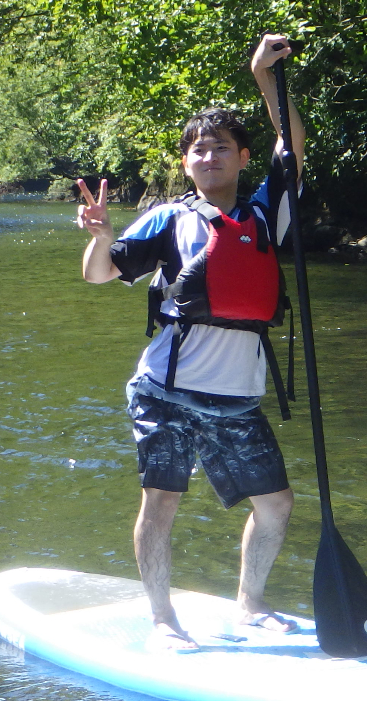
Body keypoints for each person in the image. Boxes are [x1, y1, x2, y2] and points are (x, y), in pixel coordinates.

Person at [76, 33, 306, 651]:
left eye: (221, 148)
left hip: (237, 398)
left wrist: (264, 76)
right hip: (166, 393)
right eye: (199, 150)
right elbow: (100, 274)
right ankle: (162, 619)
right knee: (163, 502)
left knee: (277, 506)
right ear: (186, 163)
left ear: (241, 157)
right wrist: (99, 236)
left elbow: (293, 149)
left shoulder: (265, 214)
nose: (209, 157)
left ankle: (250, 605)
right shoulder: (166, 219)